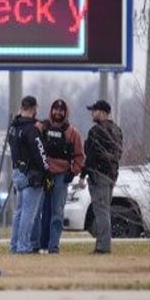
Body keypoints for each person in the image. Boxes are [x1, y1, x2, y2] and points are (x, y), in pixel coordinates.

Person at [30, 98, 85, 254]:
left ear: (65, 112)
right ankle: (35, 245)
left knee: (57, 212)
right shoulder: (42, 128)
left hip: (61, 177)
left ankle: (53, 246)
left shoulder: (72, 132)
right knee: (37, 210)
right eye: (55, 109)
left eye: (61, 110)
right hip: (43, 174)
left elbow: (80, 157)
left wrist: (73, 172)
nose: (58, 113)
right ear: (51, 111)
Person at [7, 95, 52, 254]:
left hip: (17, 172)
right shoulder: (32, 129)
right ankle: (23, 246)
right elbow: (40, 152)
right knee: (29, 214)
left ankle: (14, 246)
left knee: (18, 212)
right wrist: (47, 172)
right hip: (32, 176)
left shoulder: (13, 127)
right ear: (34, 109)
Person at [79, 99, 124, 254]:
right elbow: (118, 154)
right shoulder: (117, 130)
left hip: (98, 175)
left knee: (101, 211)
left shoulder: (96, 131)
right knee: (105, 210)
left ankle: (103, 247)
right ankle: (103, 244)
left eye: (94, 110)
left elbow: (90, 156)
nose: (92, 113)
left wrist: (83, 174)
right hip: (111, 175)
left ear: (103, 112)